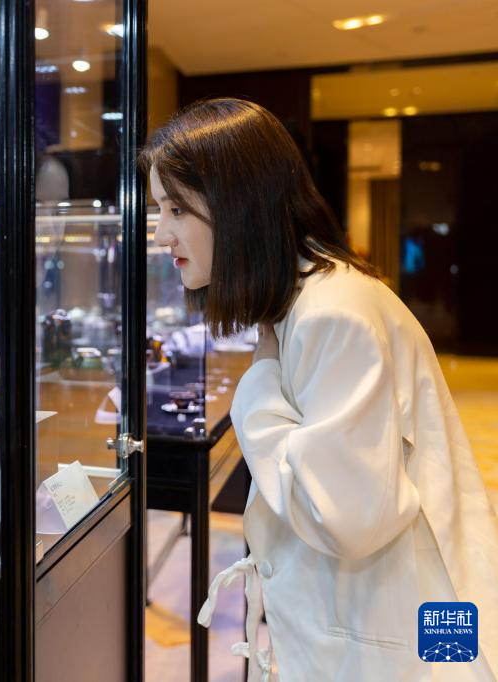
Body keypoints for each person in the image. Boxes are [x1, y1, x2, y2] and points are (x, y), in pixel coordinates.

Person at [140, 97, 498, 681]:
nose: (161, 233)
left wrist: (258, 388)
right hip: (388, 611)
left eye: (176, 208)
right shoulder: (315, 296)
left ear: (237, 202)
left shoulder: (331, 313)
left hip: (394, 624)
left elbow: (343, 517)